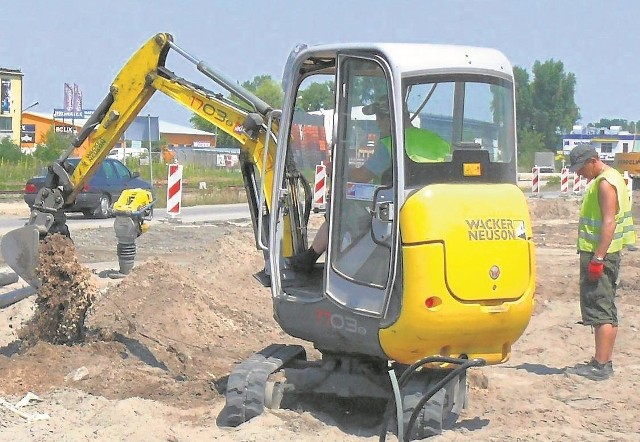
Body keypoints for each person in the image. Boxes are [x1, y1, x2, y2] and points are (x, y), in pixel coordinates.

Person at [289, 96, 449, 272]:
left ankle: (311, 257)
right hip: (432, 215)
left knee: (339, 208)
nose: (378, 124)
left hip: (393, 216)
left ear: (390, 119)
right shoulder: (437, 140)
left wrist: (339, 170)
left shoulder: (391, 144)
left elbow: (361, 176)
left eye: (379, 119)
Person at [564, 143, 636, 381]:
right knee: (605, 308)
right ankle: (602, 360)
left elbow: (609, 222)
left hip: (602, 255)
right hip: (608, 253)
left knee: (600, 309)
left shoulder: (605, 183)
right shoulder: (613, 178)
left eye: (581, 168)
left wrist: (597, 258)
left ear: (593, 161)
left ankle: (601, 366)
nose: (578, 174)